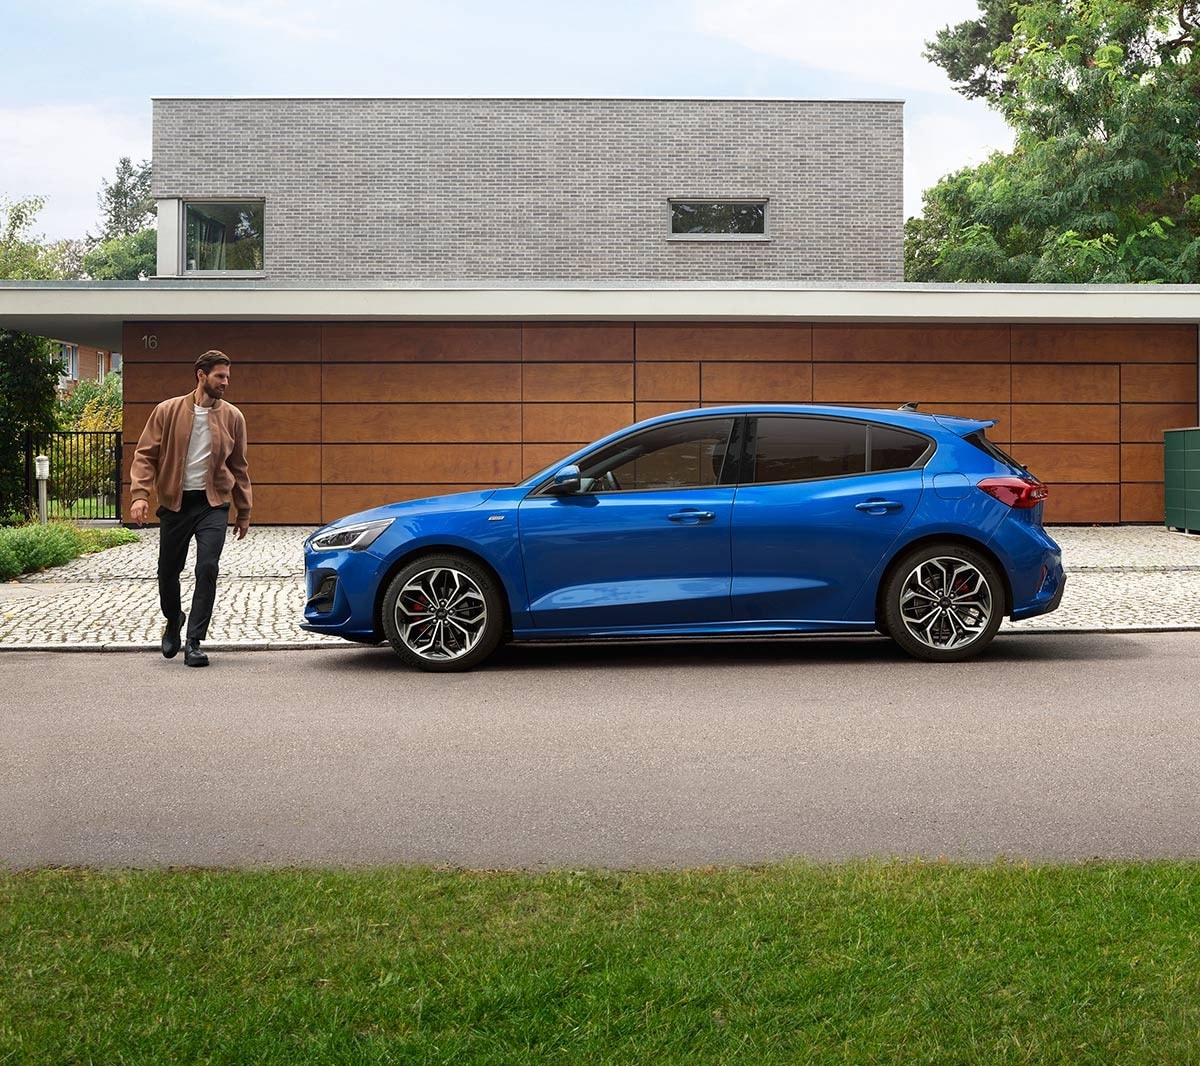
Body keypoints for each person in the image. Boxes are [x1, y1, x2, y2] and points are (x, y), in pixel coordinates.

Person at [129, 350, 252, 667]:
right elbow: (145, 456)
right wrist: (140, 495)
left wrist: (244, 510)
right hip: (176, 503)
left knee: (207, 568)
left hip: (213, 504)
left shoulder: (233, 417)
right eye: (219, 376)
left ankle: (194, 641)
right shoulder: (167, 411)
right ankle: (174, 619)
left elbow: (239, 467)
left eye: (227, 377)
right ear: (201, 375)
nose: (225, 382)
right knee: (168, 572)